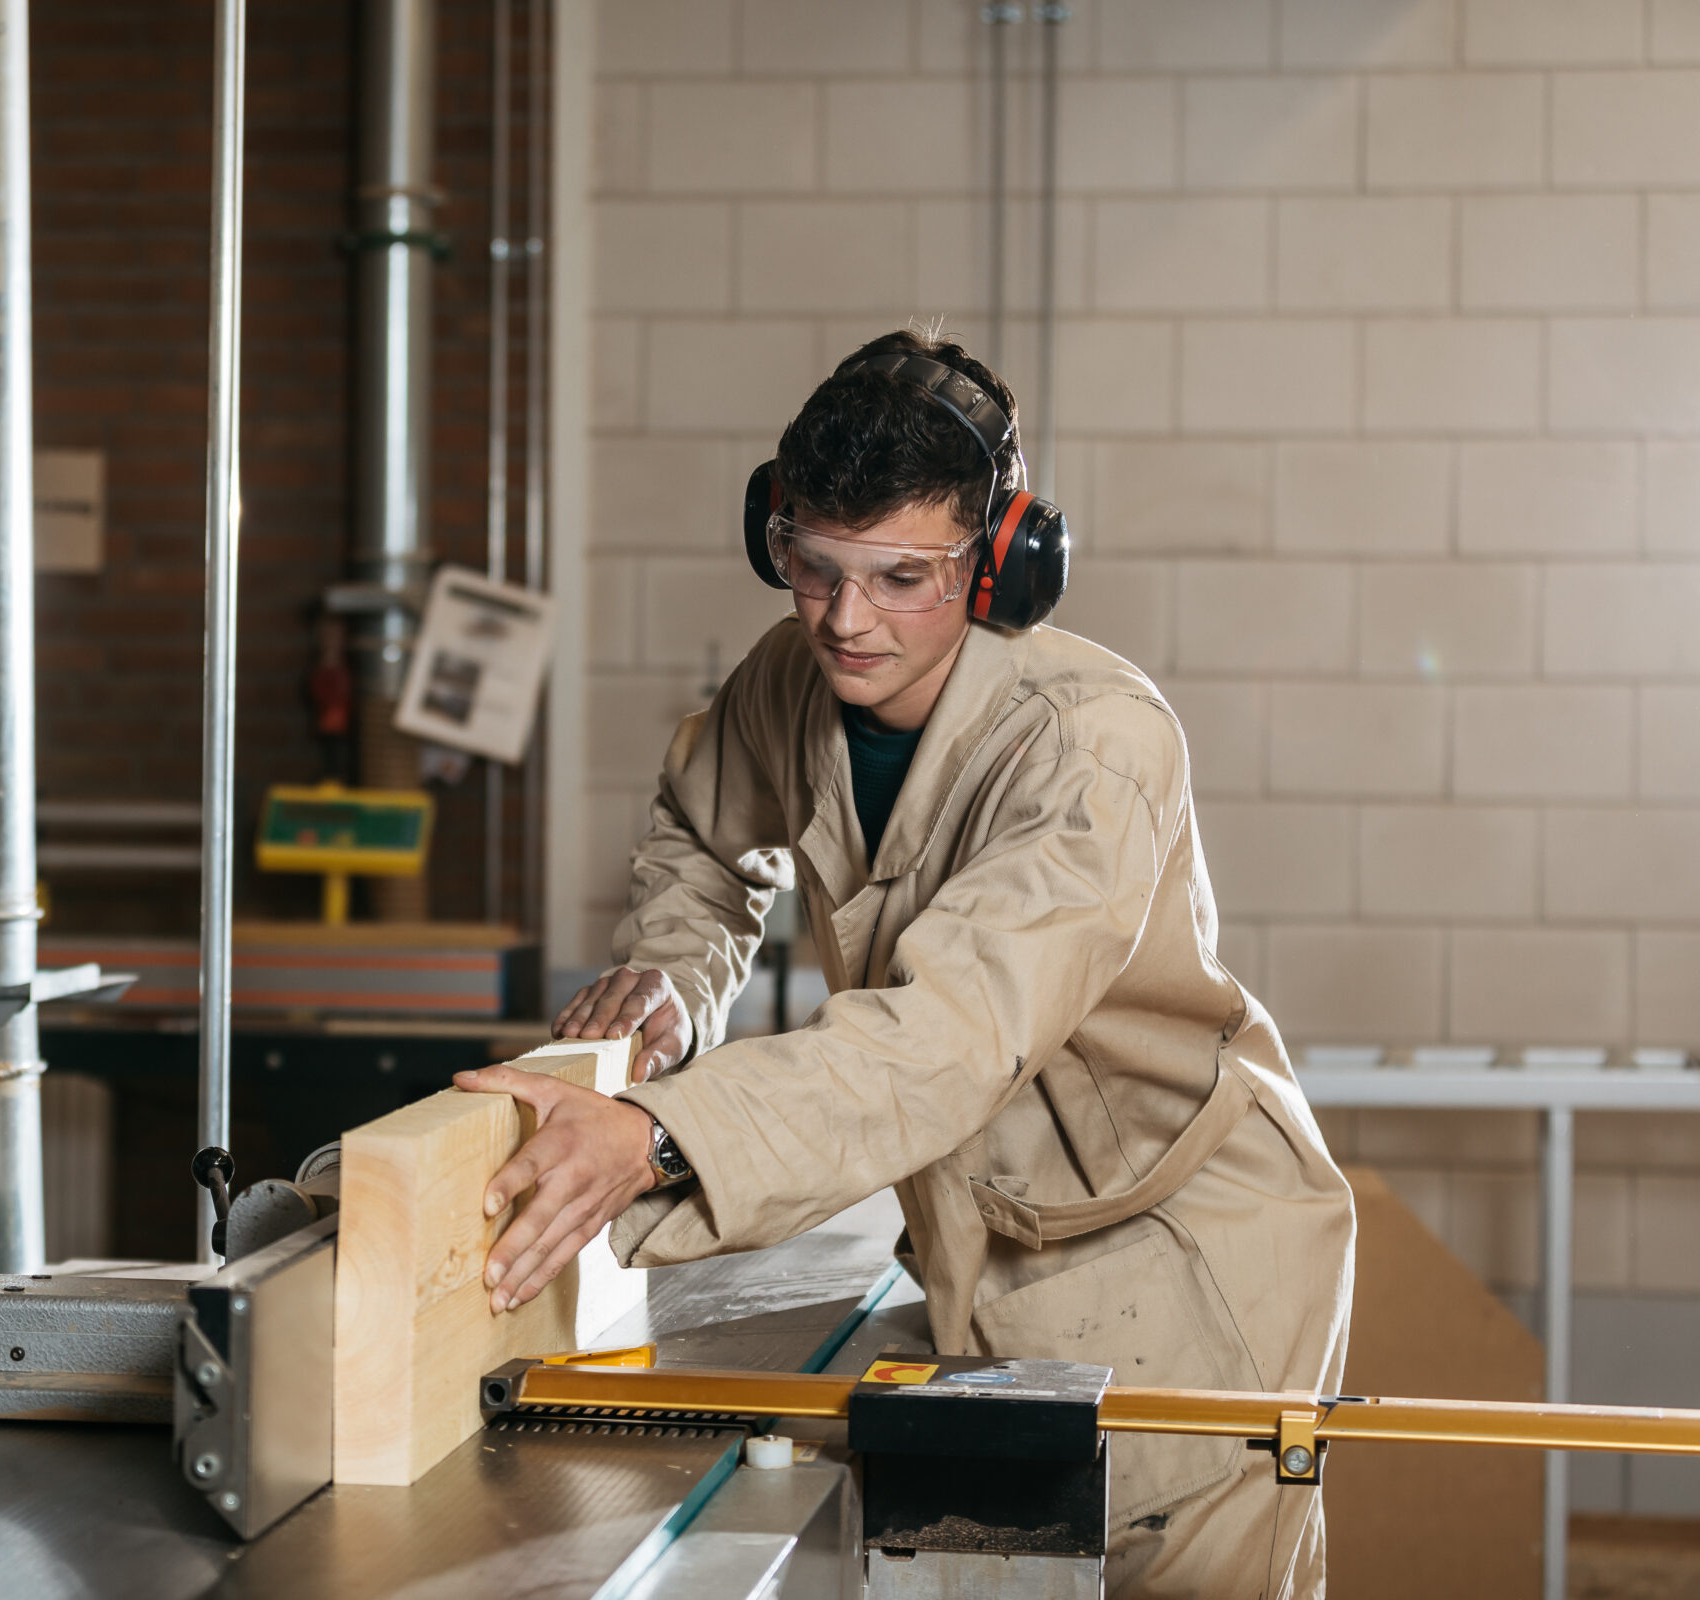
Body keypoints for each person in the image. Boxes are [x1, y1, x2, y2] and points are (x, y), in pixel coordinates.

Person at [453, 329, 1354, 1598]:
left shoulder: (1093, 747)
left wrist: (656, 1133)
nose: (846, 617)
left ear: (1003, 566)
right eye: (813, 568)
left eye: (903, 576)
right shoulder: (790, 679)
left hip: (1174, 1259)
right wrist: (674, 975)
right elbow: (706, 840)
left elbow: (948, 1036)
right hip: (971, 1248)